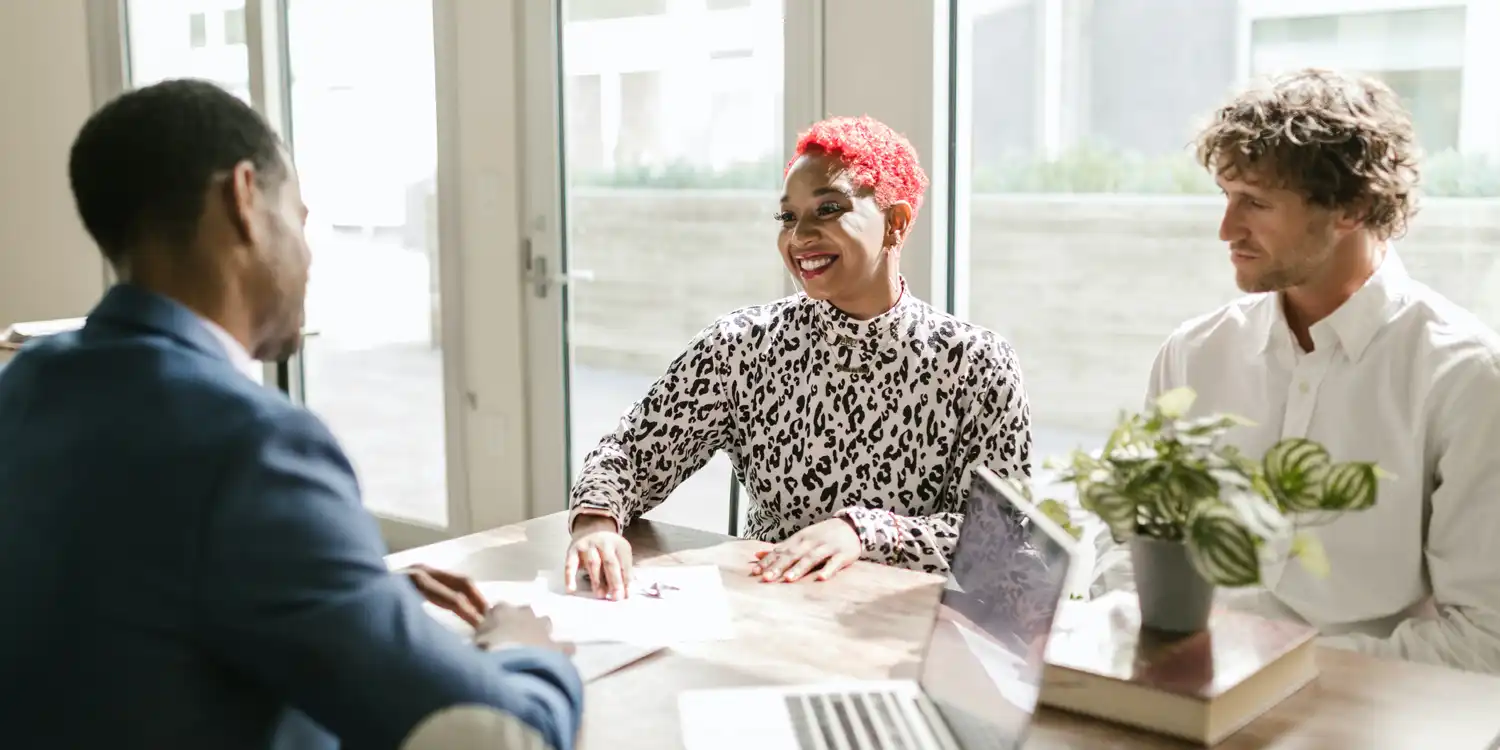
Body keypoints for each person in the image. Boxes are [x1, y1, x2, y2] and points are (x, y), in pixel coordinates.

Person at [0, 79, 582, 748]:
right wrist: (523, 650)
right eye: (300, 219)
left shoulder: (26, 383)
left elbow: (120, 579)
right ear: (243, 198)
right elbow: (507, 734)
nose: (308, 259)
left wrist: (347, 583)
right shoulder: (252, 445)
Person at [1104, 68, 1500, 673]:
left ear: (1353, 207)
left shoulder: (1465, 378)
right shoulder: (1193, 354)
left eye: (1256, 203)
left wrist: (1259, 670)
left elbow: (1483, 642)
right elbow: (1128, 548)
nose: (1226, 230)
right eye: (1226, 197)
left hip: (1366, 719)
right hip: (1181, 700)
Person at [564, 115, 1032, 599]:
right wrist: (597, 523)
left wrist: (862, 531)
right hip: (767, 618)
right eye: (788, 217)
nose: (800, 236)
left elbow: (1000, 542)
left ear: (896, 224)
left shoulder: (977, 363)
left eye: (828, 209)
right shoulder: (740, 347)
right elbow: (630, 454)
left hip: (900, 637)